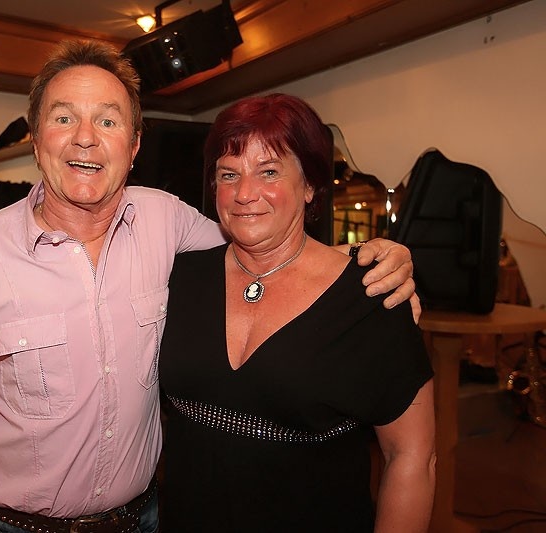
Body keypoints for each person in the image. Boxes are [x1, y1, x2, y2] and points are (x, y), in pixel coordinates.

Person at [0, 40, 417, 533]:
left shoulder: (166, 220)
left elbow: (260, 239)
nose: (85, 138)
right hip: (16, 527)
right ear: (35, 138)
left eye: (107, 121)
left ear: (133, 147)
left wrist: (369, 258)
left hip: (145, 520)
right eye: (64, 118)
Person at [158, 93, 436, 531]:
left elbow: (412, 457)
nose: (244, 193)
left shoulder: (371, 294)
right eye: (229, 174)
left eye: (268, 171)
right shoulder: (178, 278)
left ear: (309, 185)